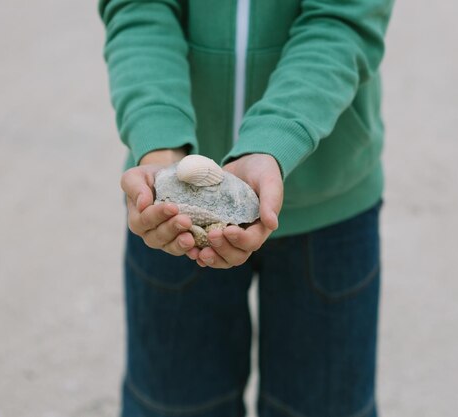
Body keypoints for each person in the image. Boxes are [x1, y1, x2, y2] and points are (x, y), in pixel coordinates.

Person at [99, 1, 394, 416]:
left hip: (330, 207)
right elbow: (140, 8)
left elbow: (343, 19)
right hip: (175, 221)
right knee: (171, 407)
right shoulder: (170, 200)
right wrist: (159, 137)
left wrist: (274, 142)